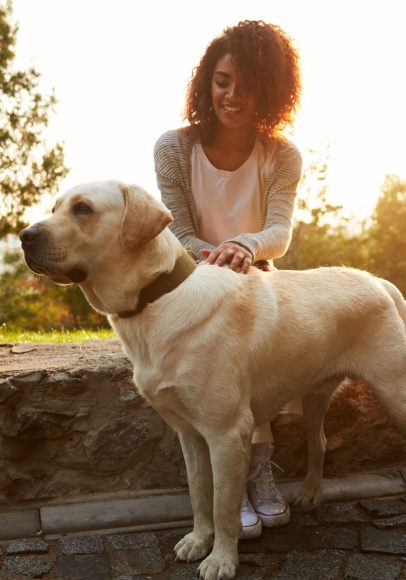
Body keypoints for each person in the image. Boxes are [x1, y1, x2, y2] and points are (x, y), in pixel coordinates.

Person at [153, 20, 303, 538]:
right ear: (206, 83)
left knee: (260, 364)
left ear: (269, 90)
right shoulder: (173, 148)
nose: (232, 95)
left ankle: (257, 473)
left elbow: (279, 232)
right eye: (222, 81)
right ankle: (230, 485)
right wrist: (215, 255)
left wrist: (246, 246)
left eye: (246, 84)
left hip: (256, 282)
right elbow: (177, 231)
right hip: (191, 286)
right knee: (217, 375)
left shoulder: (282, 155)